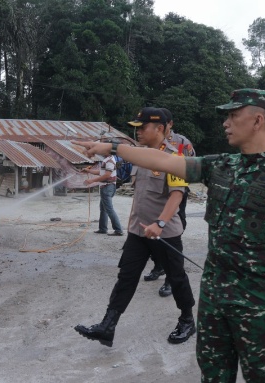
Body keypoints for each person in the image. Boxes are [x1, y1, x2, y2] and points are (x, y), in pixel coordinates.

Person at [74, 89, 265, 381]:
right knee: (213, 376)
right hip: (215, 301)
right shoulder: (220, 166)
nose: (225, 123)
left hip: (260, 305)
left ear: (257, 120)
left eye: (232, 116)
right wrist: (112, 148)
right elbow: (161, 160)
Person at [74, 107, 196, 347]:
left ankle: (187, 320)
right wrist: (93, 168)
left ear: (159, 128)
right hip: (138, 232)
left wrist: (160, 223)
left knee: (177, 277)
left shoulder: (176, 157)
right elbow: (120, 174)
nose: (137, 132)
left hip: (165, 233)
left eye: (142, 128)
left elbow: (177, 197)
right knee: (126, 277)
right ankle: (107, 326)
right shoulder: (139, 156)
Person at [141, 107, 196, 298]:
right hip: (153, 194)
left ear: (168, 125)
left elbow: (188, 165)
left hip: (175, 191)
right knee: (150, 233)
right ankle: (158, 267)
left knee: (170, 234)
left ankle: (170, 279)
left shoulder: (181, 143)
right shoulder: (147, 143)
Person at [82, 144, 123, 236]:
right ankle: (102, 228)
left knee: (109, 209)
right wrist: (88, 171)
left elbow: (107, 175)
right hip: (106, 187)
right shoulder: (107, 160)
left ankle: (118, 230)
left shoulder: (109, 161)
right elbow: (101, 172)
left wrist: (92, 180)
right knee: (103, 209)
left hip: (107, 187)